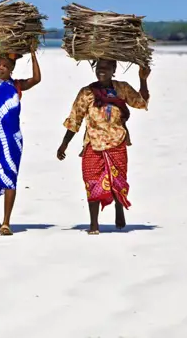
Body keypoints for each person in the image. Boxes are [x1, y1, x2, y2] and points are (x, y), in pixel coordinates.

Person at [57, 59, 150, 235]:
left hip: (117, 141)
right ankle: (94, 223)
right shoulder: (87, 93)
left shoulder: (122, 89)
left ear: (114, 69)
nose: (102, 71)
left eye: (107, 68)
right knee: (91, 182)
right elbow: (75, 119)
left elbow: (141, 102)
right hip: (92, 143)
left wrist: (143, 79)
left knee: (117, 181)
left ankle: (119, 208)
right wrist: (64, 144)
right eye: (99, 68)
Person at [0, 48, 41, 236]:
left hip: (13, 140)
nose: (0, 68)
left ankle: (6, 222)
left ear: (12, 68)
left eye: (5, 66)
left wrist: (33, 55)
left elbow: (36, 79)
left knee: (10, 178)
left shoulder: (17, 86)